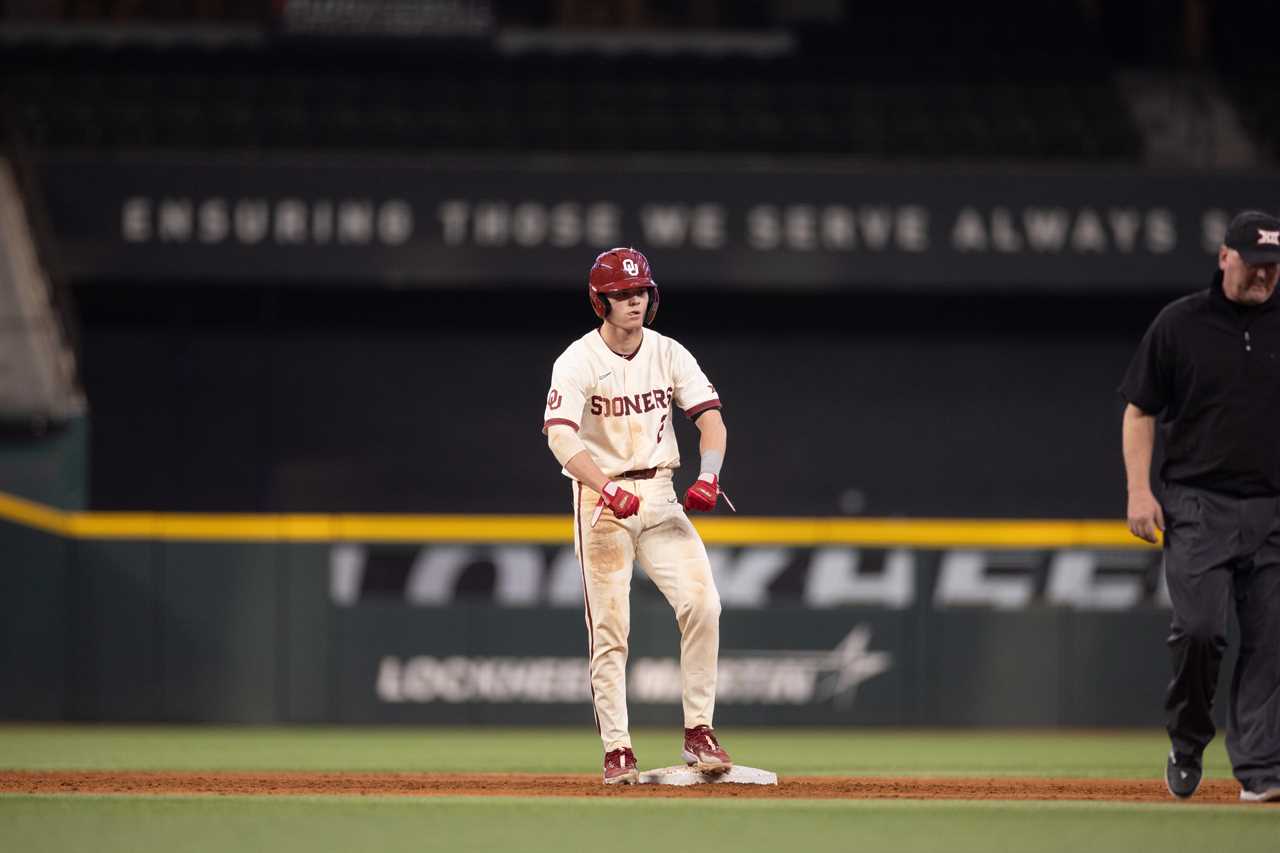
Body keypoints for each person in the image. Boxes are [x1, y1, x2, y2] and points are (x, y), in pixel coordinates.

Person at [542, 247, 732, 785]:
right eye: (623, 293)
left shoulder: (669, 352)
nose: (634, 300)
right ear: (600, 300)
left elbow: (710, 419)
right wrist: (603, 485)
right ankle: (618, 749)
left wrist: (710, 475)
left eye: (641, 291)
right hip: (600, 501)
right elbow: (560, 434)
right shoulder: (577, 359)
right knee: (611, 627)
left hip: (660, 491)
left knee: (703, 603)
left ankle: (699, 731)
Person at [1120, 209, 1280, 803]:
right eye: (1255, 264)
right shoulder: (1180, 324)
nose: (1265, 277)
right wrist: (1140, 491)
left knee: (1271, 640)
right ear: (1225, 258)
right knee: (1200, 630)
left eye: (1274, 267)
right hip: (1198, 503)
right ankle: (1187, 742)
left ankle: (1261, 769)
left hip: (1273, 509)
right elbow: (1139, 411)